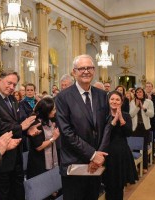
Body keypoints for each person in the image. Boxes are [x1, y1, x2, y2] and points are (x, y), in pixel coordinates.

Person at [55, 54, 110, 200]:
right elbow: (66, 132)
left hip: (97, 164)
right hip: (74, 163)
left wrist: (99, 155)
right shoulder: (63, 97)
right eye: (82, 68)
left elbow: (107, 126)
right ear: (74, 72)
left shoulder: (102, 95)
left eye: (89, 68)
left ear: (94, 70)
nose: (86, 71)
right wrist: (92, 154)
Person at [0, 71, 40, 200]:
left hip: (17, 155)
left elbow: (18, 122)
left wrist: (27, 131)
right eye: (9, 83)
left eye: (14, 84)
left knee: (18, 192)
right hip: (1, 157)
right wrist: (20, 127)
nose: (12, 87)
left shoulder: (12, 99)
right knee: (3, 193)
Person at [103, 91, 138, 200]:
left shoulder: (126, 115)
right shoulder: (103, 115)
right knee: (109, 185)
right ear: (108, 101)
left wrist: (121, 118)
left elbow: (128, 133)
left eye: (117, 100)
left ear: (122, 102)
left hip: (121, 154)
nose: (114, 101)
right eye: (112, 99)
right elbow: (104, 134)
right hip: (107, 153)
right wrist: (114, 120)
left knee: (119, 185)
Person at [27, 97, 60, 179]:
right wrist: (53, 138)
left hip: (49, 158)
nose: (54, 112)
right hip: (39, 163)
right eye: (52, 110)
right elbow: (39, 147)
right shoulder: (36, 123)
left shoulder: (49, 120)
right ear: (46, 111)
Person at [130, 87, 154, 173]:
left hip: (145, 127)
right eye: (137, 92)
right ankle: (136, 166)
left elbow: (151, 115)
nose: (139, 93)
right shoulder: (132, 102)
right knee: (135, 147)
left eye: (140, 92)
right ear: (135, 94)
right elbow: (131, 115)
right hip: (135, 127)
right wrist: (136, 107)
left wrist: (144, 108)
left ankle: (144, 166)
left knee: (144, 147)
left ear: (143, 93)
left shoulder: (149, 102)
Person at [19, 83, 38, 152]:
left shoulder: (37, 102)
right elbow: (23, 117)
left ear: (34, 91)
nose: (30, 92)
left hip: (38, 129)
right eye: (28, 90)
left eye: (31, 90)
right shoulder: (21, 103)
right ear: (25, 92)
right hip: (27, 131)